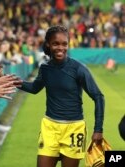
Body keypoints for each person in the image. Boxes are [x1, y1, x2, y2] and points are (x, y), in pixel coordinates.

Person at [19, 25, 104, 167]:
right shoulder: (45, 68)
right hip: (50, 127)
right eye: (55, 44)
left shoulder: (78, 69)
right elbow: (34, 88)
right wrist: (11, 80)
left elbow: (98, 97)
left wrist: (98, 130)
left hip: (74, 129)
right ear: (48, 44)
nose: (61, 48)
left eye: (64, 44)